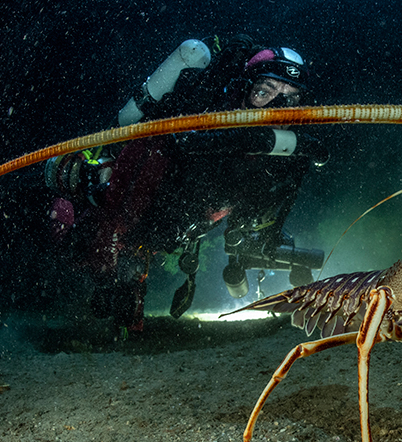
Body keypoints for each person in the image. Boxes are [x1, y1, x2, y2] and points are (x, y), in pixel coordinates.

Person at [44, 35, 328, 332]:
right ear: (245, 89)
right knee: (84, 241)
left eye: (290, 98)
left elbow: (259, 211)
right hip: (147, 206)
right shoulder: (201, 111)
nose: (276, 107)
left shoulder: (288, 151)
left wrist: (257, 234)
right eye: (264, 91)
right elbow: (158, 155)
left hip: (189, 222)